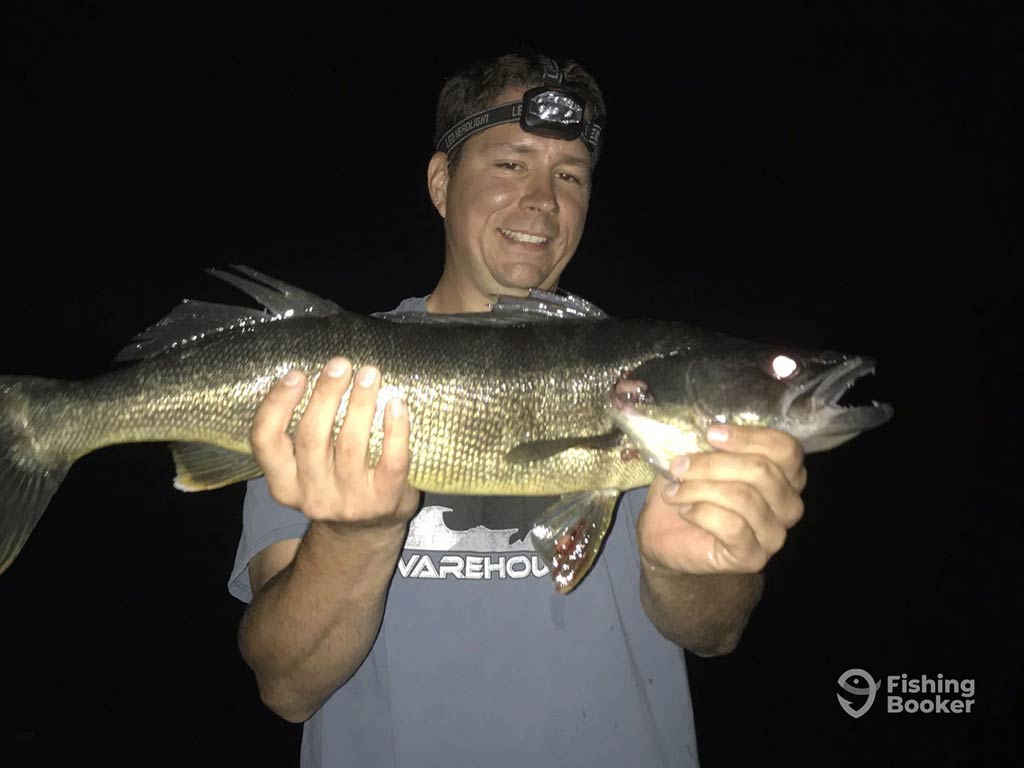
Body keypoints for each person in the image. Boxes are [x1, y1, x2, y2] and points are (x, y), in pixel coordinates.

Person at [228, 52, 807, 767]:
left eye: (570, 175)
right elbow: (285, 687)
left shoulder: (658, 403)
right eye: (511, 165)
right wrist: (353, 537)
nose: (542, 200)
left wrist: (691, 572)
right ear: (441, 183)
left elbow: (714, 635)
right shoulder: (334, 384)